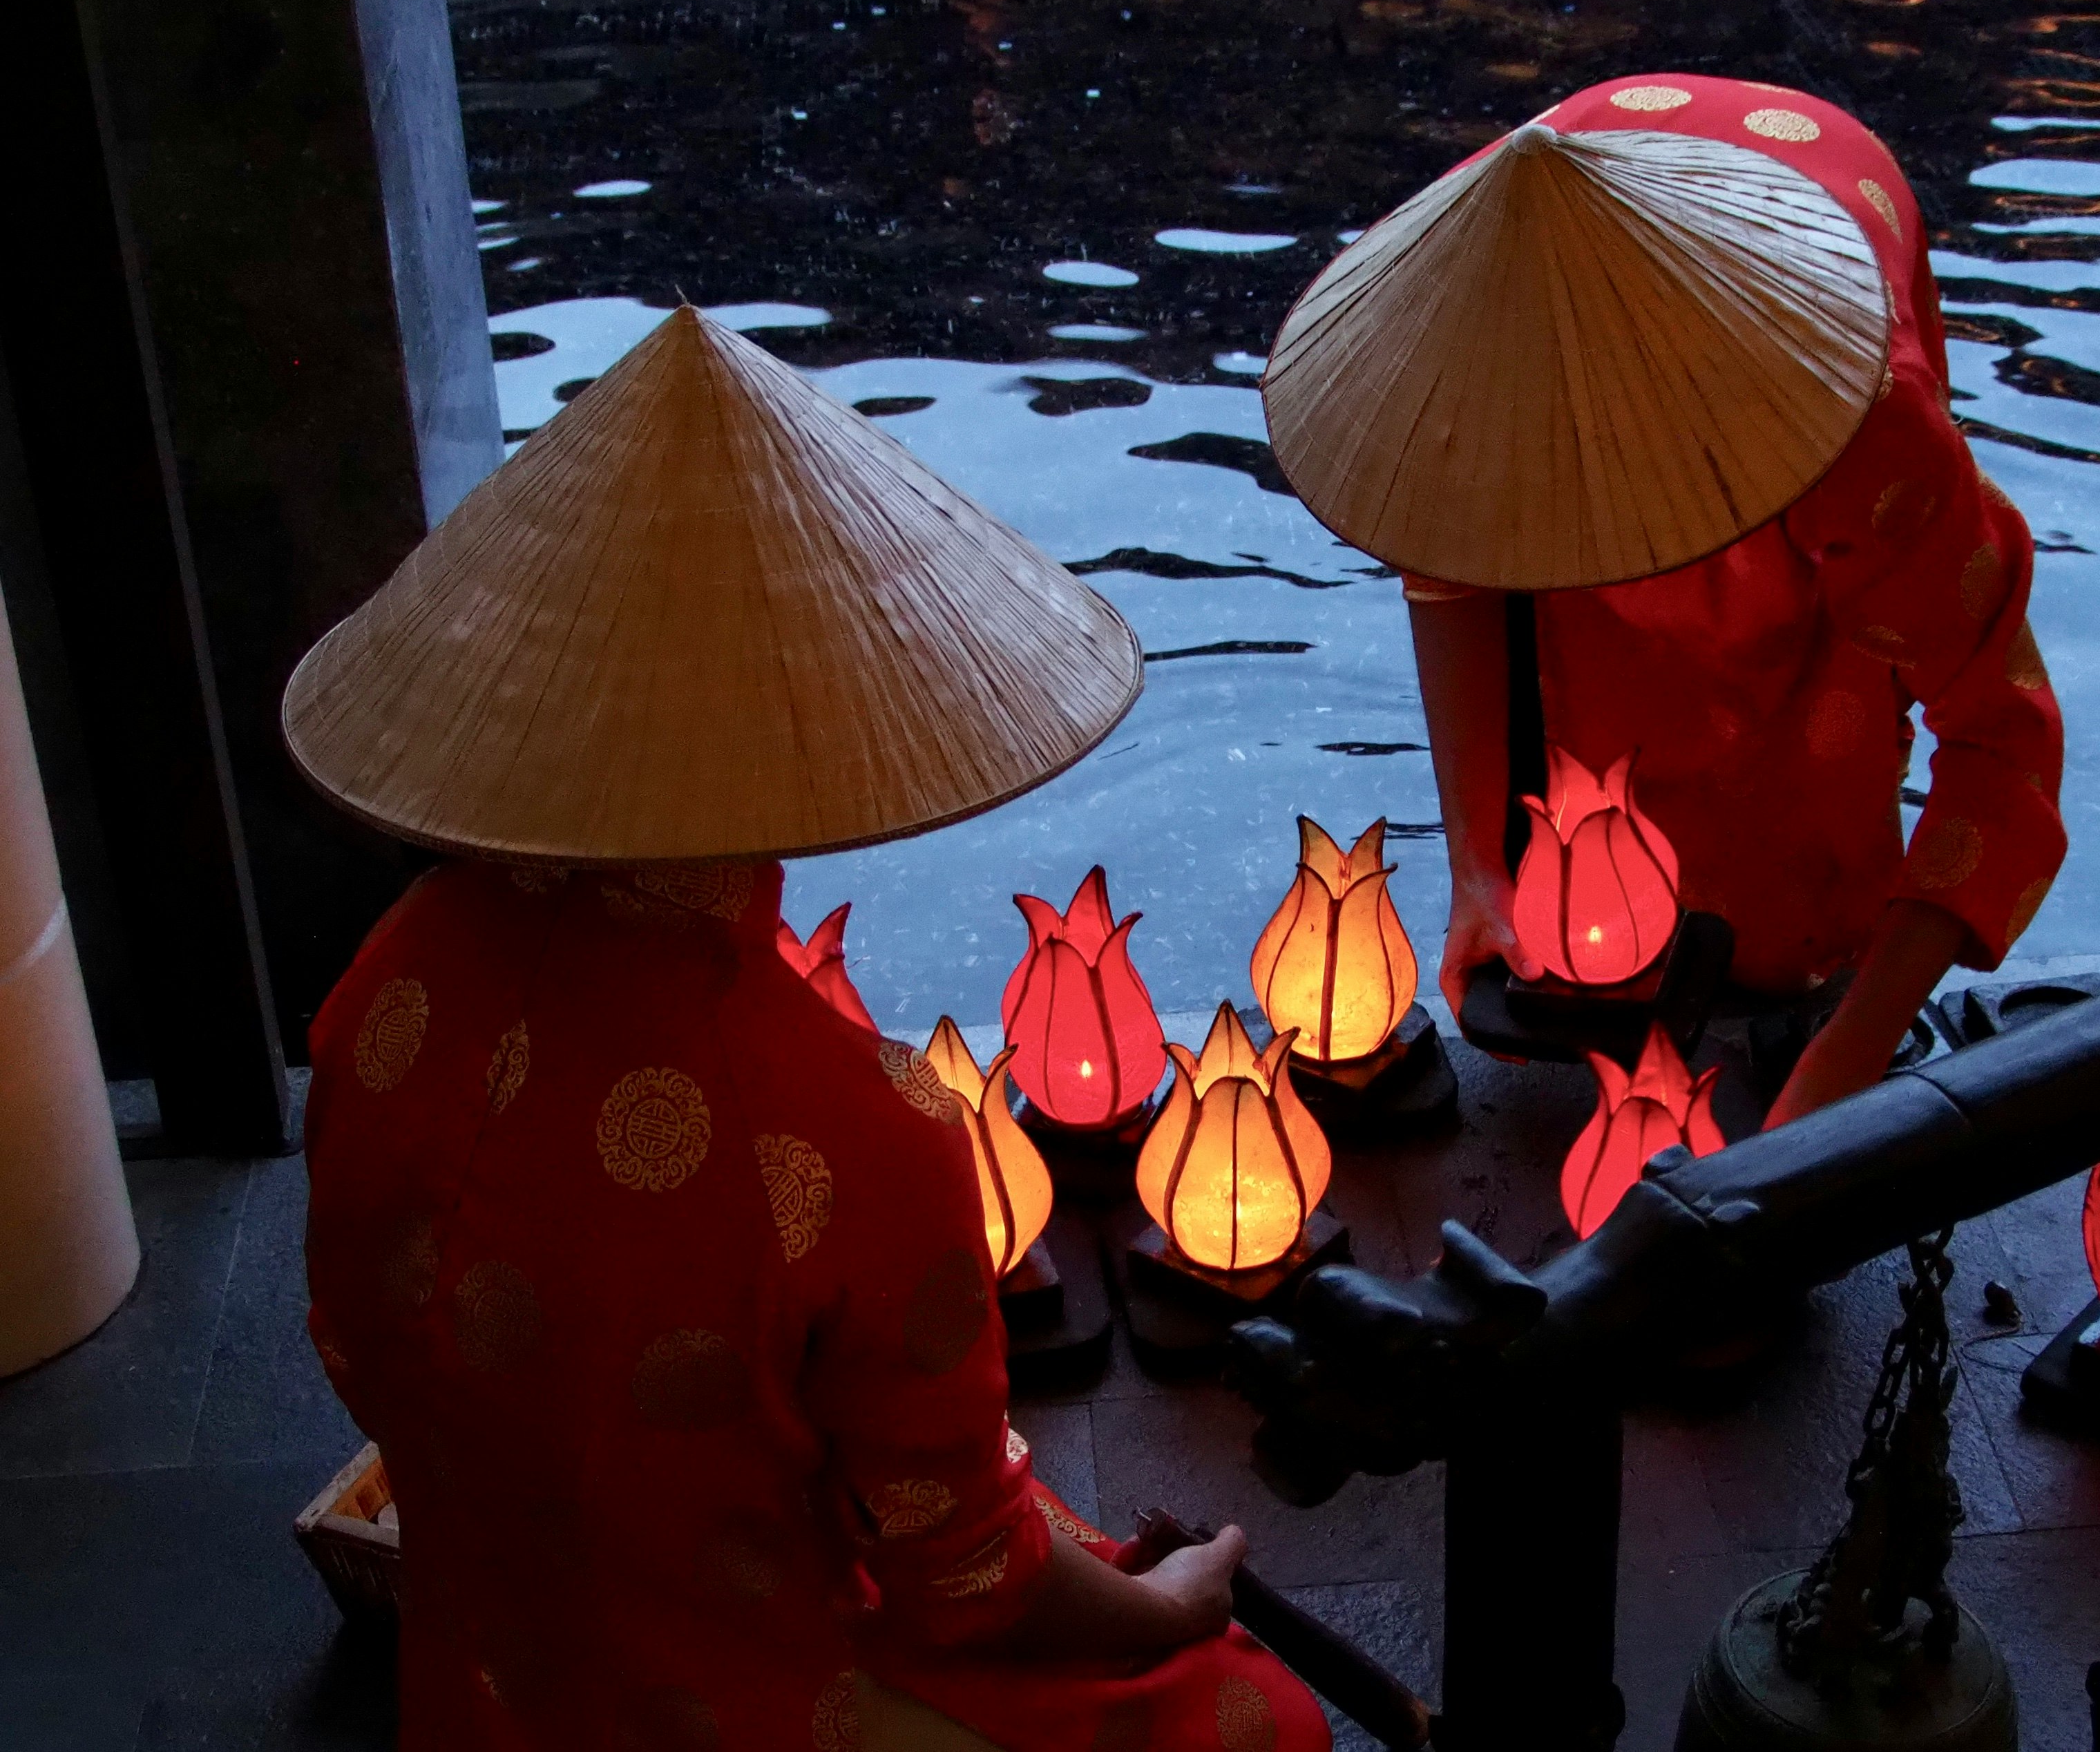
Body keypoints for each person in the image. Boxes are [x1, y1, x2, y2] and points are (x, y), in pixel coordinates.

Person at [287, 306, 1330, 1752]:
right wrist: (1176, 1605)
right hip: (759, 1693)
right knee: (1263, 1720)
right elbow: (969, 1584)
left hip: (484, 1660)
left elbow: (354, 1341)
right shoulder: (846, 1127)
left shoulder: (380, 987)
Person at [1262, 75, 2067, 1125]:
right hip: (1584, 200)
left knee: (1816, 740)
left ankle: (1804, 959)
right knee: (1599, 761)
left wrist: (1853, 1049)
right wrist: (1477, 870)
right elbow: (1448, 562)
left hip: (1793, 273)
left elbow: (1999, 737)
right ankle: (1621, 921)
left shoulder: (1866, 419)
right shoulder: (1449, 330)